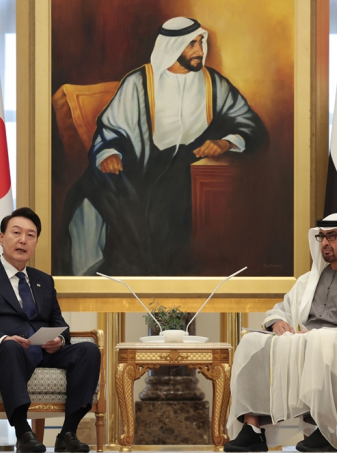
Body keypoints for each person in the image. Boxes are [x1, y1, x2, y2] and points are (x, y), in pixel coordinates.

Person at [59, 16, 268, 276]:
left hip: (183, 166)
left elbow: (250, 124)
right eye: (191, 44)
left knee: (166, 205)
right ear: (172, 47)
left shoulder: (213, 84)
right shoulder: (138, 82)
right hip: (137, 163)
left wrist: (225, 143)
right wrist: (109, 152)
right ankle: (105, 273)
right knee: (91, 190)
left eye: (201, 42)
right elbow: (110, 128)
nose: (199, 51)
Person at [224, 213, 337, 453]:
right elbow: (281, 309)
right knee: (250, 342)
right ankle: (253, 430)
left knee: (323, 339)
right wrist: (278, 321)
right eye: (322, 237)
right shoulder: (307, 281)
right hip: (302, 340)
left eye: (332, 236)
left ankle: (325, 430)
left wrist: (317, 334)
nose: (325, 243)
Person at [0, 207, 101, 453]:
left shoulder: (43, 280)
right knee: (11, 347)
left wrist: (58, 339)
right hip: (2, 349)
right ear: (2, 237)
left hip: (43, 350)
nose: (23, 240)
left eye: (30, 235)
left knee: (88, 350)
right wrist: (3, 338)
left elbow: (59, 322)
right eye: (16, 233)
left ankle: (67, 432)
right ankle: (23, 431)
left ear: (35, 242)